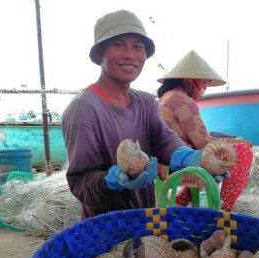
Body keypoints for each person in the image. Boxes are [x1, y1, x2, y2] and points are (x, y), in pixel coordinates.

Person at [62, 10, 209, 219]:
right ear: (100, 53)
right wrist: (112, 181)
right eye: (118, 44)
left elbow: (163, 140)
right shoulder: (83, 109)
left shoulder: (146, 102)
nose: (130, 54)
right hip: (105, 227)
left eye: (137, 46)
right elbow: (80, 182)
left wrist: (186, 156)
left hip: (146, 219)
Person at [156, 50, 253, 211]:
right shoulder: (182, 100)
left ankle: (181, 199)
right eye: (203, 84)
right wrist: (235, 142)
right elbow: (203, 143)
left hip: (167, 159)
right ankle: (224, 208)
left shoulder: (167, 96)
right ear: (189, 81)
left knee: (216, 143)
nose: (204, 89)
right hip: (177, 164)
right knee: (243, 151)